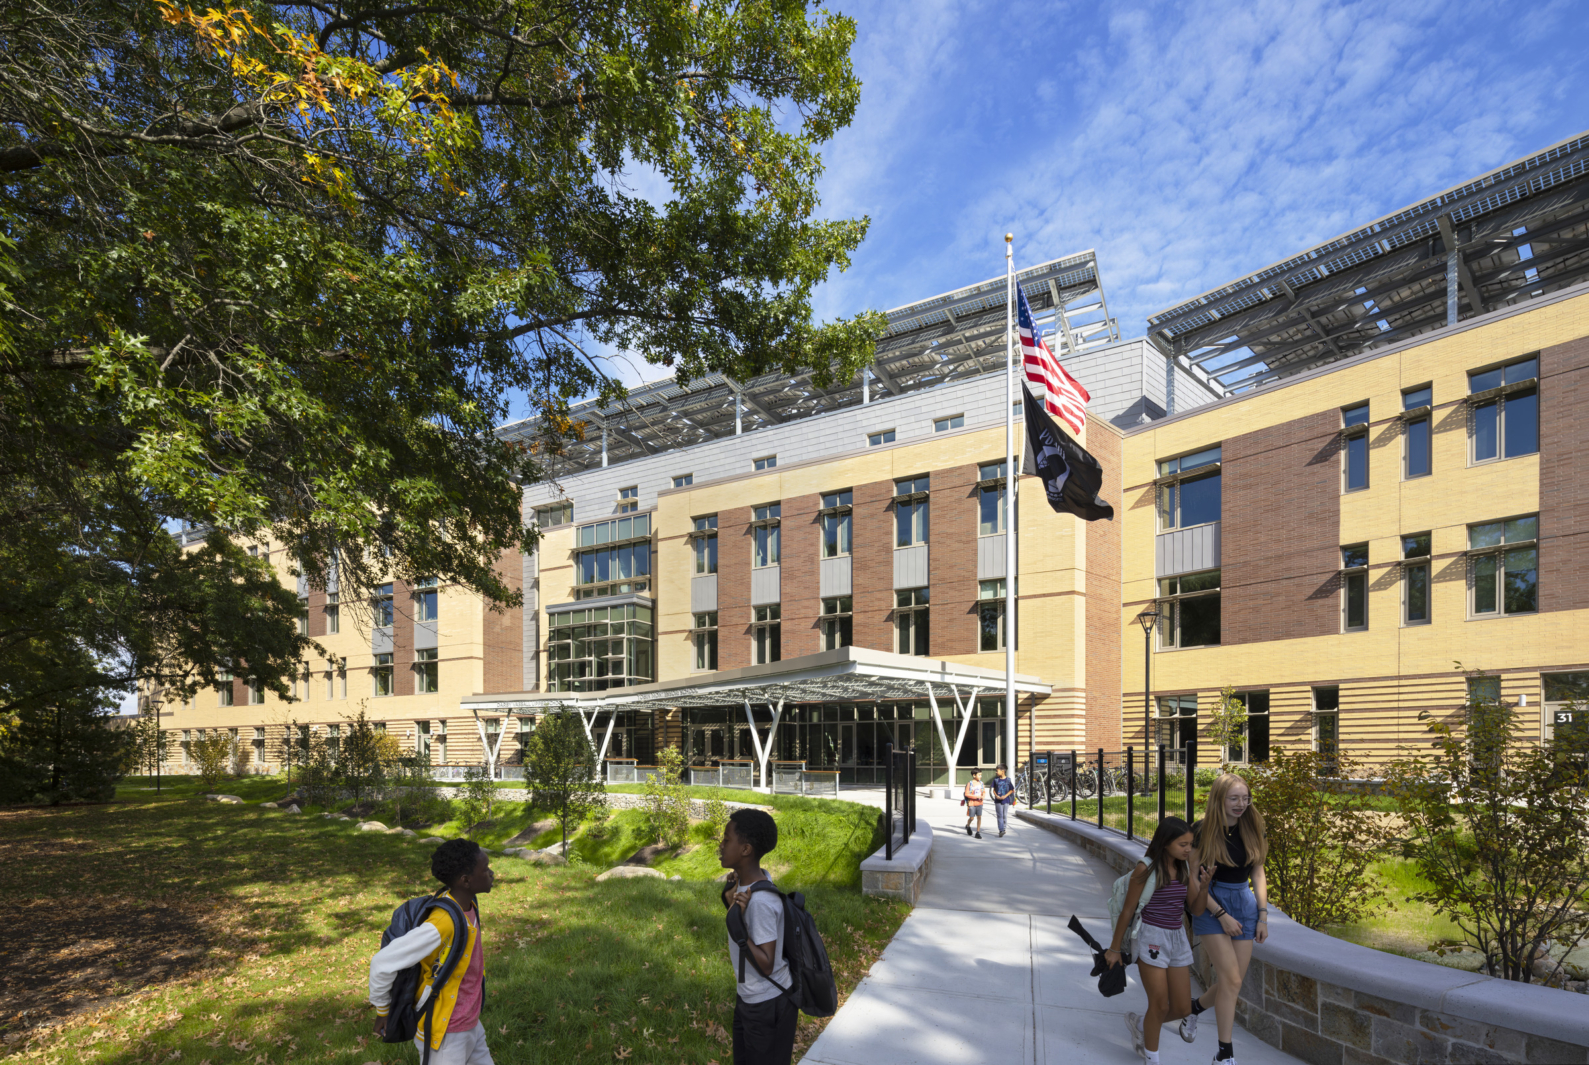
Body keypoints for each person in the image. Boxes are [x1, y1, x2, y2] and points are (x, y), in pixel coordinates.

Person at [369, 839, 496, 1065]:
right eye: (485, 869)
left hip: (471, 1024)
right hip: (446, 1034)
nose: (491, 873)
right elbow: (382, 963)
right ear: (465, 881)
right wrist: (383, 1010)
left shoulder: (469, 904)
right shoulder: (442, 923)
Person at [1105, 816, 1210, 1065]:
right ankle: (1152, 1058)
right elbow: (1128, 910)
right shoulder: (1147, 868)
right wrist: (1114, 948)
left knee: (1184, 1008)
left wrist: (1204, 886)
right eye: (1182, 844)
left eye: (1190, 844)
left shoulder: (1183, 868)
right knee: (1160, 1004)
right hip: (1151, 937)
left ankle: (1141, 1023)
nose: (1188, 849)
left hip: (1177, 938)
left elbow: (1196, 910)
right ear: (1165, 843)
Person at [1181, 774, 1270, 1065]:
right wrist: (1220, 914)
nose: (1241, 804)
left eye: (1246, 798)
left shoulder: (1252, 825)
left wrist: (1262, 916)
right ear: (1219, 799)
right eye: (1234, 798)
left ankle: (1194, 1009)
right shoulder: (1201, 830)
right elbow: (1193, 880)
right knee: (1231, 979)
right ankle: (1224, 1055)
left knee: (1233, 983)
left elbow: (1257, 873)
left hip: (1244, 903)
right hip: (1210, 902)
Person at [719, 808, 796, 1065]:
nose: (721, 844)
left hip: (768, 1003)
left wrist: (737, 926)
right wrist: (729, 898)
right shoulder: (747, 883)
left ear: (745, 849)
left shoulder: (761, 900)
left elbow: (765, 963)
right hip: (749, 997)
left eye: (727, 839)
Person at [989, 763, 1016, 837]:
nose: (996, 772)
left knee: (1004, 815)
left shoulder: (1008, 780)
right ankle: (1001, 830)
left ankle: (1004, 828)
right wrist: (996, 795)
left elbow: (1011, 790)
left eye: (997, 771)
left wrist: (1005, 796)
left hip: (1006, 800)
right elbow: (994, 790)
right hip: (998, 800)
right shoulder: (996, 780)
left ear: (1003, 771)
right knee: (999, 815)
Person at [963, 768, 985, 839]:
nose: (980, 776)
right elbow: (966, 794)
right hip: (971, 803)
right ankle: (968, 826)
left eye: (981, 775)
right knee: (972, 818)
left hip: (980, 803)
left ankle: (978, 832)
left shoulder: (981, 783)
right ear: (974, 775)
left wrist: (983, 796)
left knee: (979, 817)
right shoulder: (970, 784)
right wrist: (976, 796)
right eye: (979, 775)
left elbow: (983, 791)